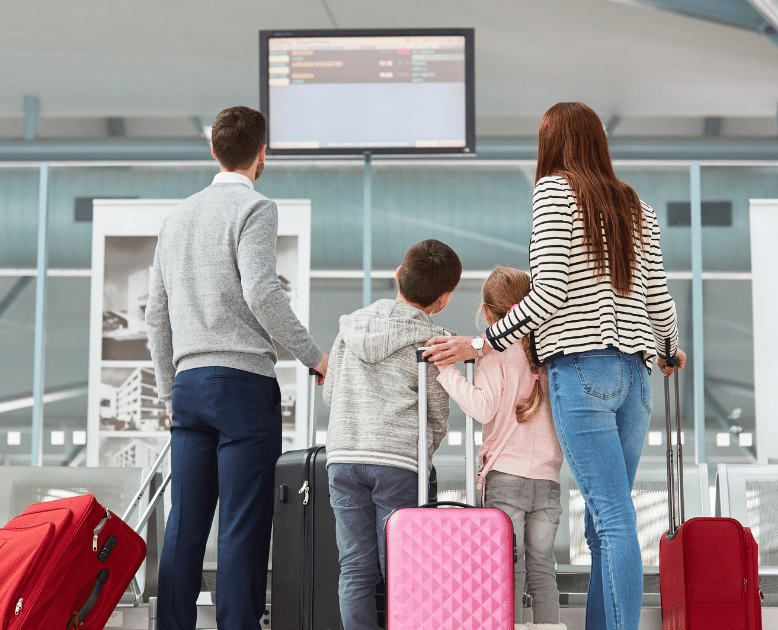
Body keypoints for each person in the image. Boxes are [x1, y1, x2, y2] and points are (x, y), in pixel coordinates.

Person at [425, 102, 687, 630]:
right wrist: (667, 348)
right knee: (605, 517)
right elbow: (658, 297)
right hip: (636, 376)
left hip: (583, 370)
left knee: (611, 517)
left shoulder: (554, 194)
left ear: (552, 144)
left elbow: (548, 293)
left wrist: (484, 343)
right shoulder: (638, 207)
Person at [145, 105, 329, 630]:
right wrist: (315, 358)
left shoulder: (176, 217)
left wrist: (168, 389)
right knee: (242, 527)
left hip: (189, 386)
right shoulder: (255, 208)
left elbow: (155, 313)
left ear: (213, 151)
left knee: (185, 524)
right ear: (261, 153)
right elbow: (263, 293)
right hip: (243, 385)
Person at [323, 239, 462, 630]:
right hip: (398, 462)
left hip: (344, 458)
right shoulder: (434, 340)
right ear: (445, 298)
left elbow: (331, 392)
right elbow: (437, 412)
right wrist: (422, 452)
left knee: (354, 569)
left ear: (399, 275)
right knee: (402, 569)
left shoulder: (351, 326)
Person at [435, 266, 565, 630]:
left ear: (489, 314)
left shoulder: (495, 351)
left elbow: (483, 408)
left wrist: (448, 373)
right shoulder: (551, 353)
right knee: (542, 567)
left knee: (507, 566)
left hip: (506, 476)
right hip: (548, 480)